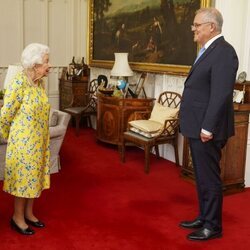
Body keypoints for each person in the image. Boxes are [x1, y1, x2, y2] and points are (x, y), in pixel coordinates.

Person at [179, 8, 238, 241]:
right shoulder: (207, 50)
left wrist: (208, 127)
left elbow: (221, 94)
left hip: (207, 128)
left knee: (209, 177)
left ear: (211, 26)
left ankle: (213, 226)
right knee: (201, 176)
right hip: (197, 125)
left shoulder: (224, 52)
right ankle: (204, 216)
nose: (193, 29)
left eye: (197, 25)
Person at [0, 43, 52, 235]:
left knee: (34, 179)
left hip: (39, 141)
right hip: (23, 143)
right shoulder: (18, 82)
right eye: (46, 61)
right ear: (35, 64)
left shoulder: (41, 83)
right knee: (23, 181)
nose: (50, 65)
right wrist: (11, 139)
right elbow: (5, 115)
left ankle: (29, 214)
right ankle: (17, 217)